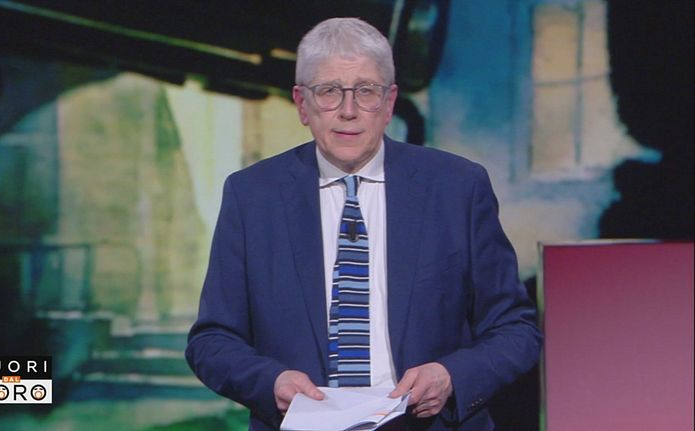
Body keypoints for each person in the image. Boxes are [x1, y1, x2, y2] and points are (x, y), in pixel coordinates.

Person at [185, 17, 542, 431]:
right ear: (302, 104)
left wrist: (450, 378)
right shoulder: (252, 196)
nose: (349, 111)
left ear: (389, 103)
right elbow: (212, 341)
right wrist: (271, 383)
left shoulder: (458, 187)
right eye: (329, 92)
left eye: (366, 91)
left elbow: (515, 329)